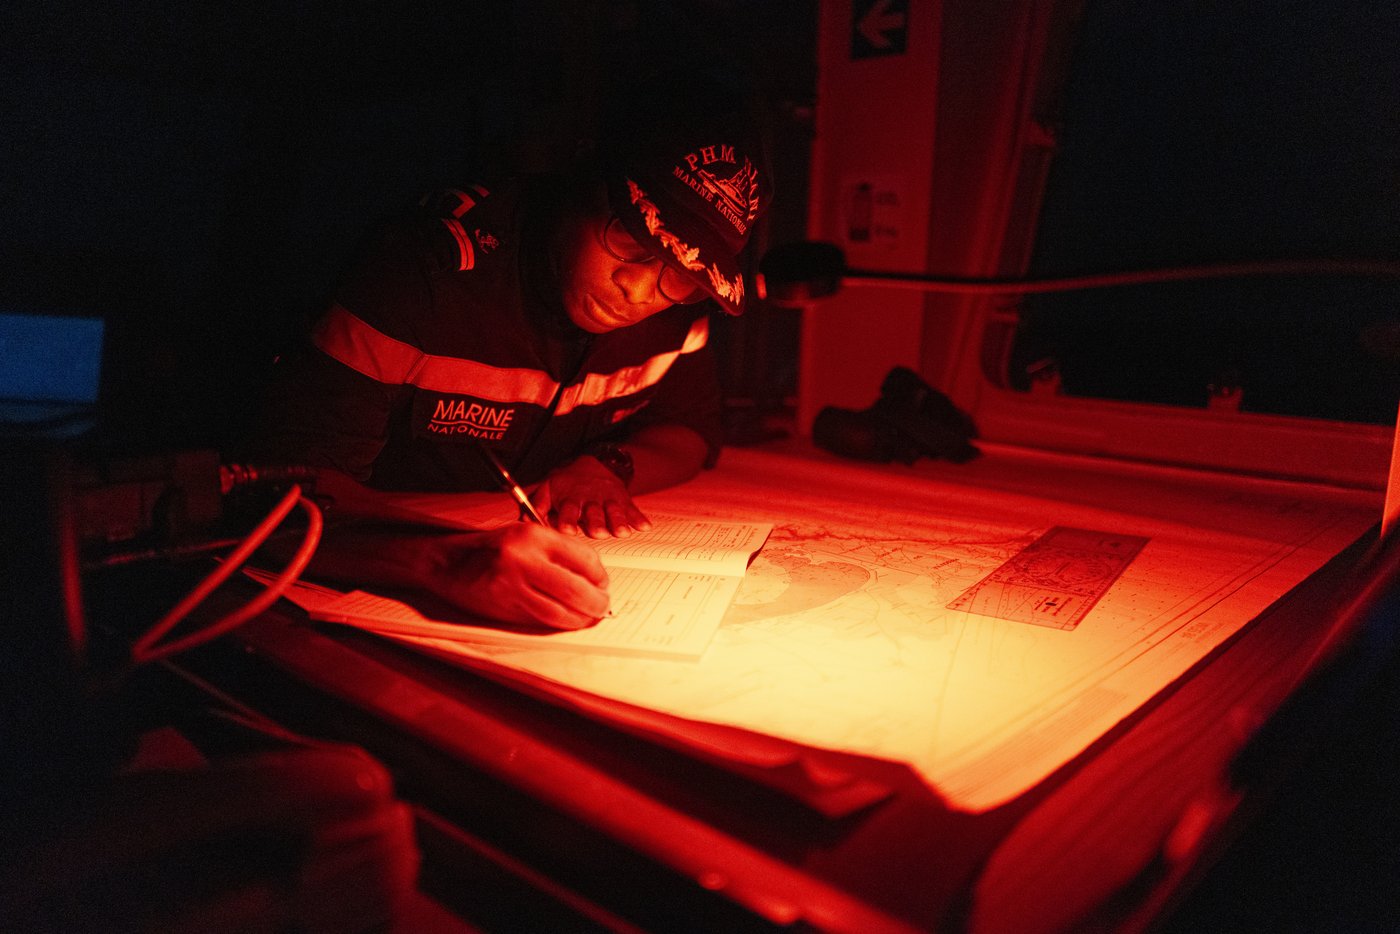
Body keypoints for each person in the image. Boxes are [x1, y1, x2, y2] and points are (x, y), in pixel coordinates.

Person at [250, 99, 772, 633]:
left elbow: (690, 430)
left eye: (682, 271)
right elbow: (276, 499)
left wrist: (609, 464)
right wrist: (445, 560)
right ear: (580, 181)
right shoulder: (425, 275)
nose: (637, 292)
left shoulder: (680, 311)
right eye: (629, 239)